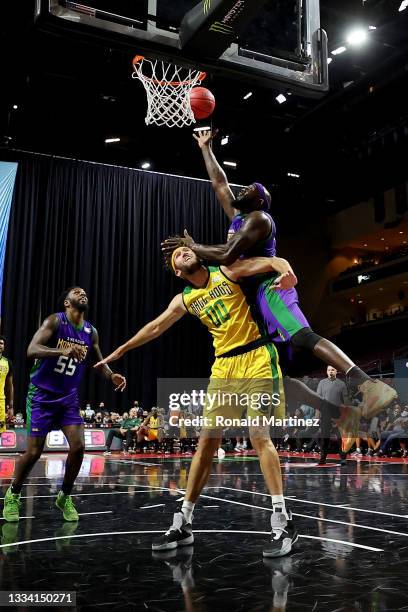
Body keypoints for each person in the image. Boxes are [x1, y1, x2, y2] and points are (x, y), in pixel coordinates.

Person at [162, 130, 396, 422]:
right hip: (254, 303)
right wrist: (206, 148)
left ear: (259, 201)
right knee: (279, 380)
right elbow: (219, 183)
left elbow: (226, 256)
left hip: (270, 288)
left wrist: (192, 245)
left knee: (302, 336)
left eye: (250, 189)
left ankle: (366, 383)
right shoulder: (239, 218)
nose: (243, 189)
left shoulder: (259, 219)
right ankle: (338, 413)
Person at [96, 246, 298, 557]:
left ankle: (283, 521)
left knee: (259, 436)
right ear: (177, 271)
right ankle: (185, 521)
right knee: (206, 443)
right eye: (177, 255)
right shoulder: (184, 299)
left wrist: (286, 273)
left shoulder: (227, 271)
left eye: (186, 249)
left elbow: (271, 260)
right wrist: (122, 349)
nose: (183, 253)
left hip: (257, 355)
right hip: (224, 367)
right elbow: (155, 327)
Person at [2, 287, 126, 523]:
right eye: (76, 292)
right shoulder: (55, 321)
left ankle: (65, 495)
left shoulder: (91, 331)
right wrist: (63, 349)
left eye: (84, 292)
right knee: (34, 452)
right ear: (67, 303)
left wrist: (111, 376)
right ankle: (14, 493)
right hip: (41, 395)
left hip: (68, 397)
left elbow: (100, 361)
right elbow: (31, 350)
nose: (83, 293)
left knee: (79, 446)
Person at [316, 366, 349, 465]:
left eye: (333, 370)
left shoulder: (341, 384)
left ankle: (343, 457)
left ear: (336, 371)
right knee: (324, 437)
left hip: (337, 413)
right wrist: (317, 414)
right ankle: (323, 457)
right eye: (329, 370)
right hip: (325, 413)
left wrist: (345, 415)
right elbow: (318, 399)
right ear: (326, 371)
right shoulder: (322, 383)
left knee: (340, 437)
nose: (331, 372)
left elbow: (346, 402)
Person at [0, 336, 14, 434]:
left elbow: (10, 385)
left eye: (1, 343)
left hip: (1, 402)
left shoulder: (7, 363)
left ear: (4, 347)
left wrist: (11, 406)